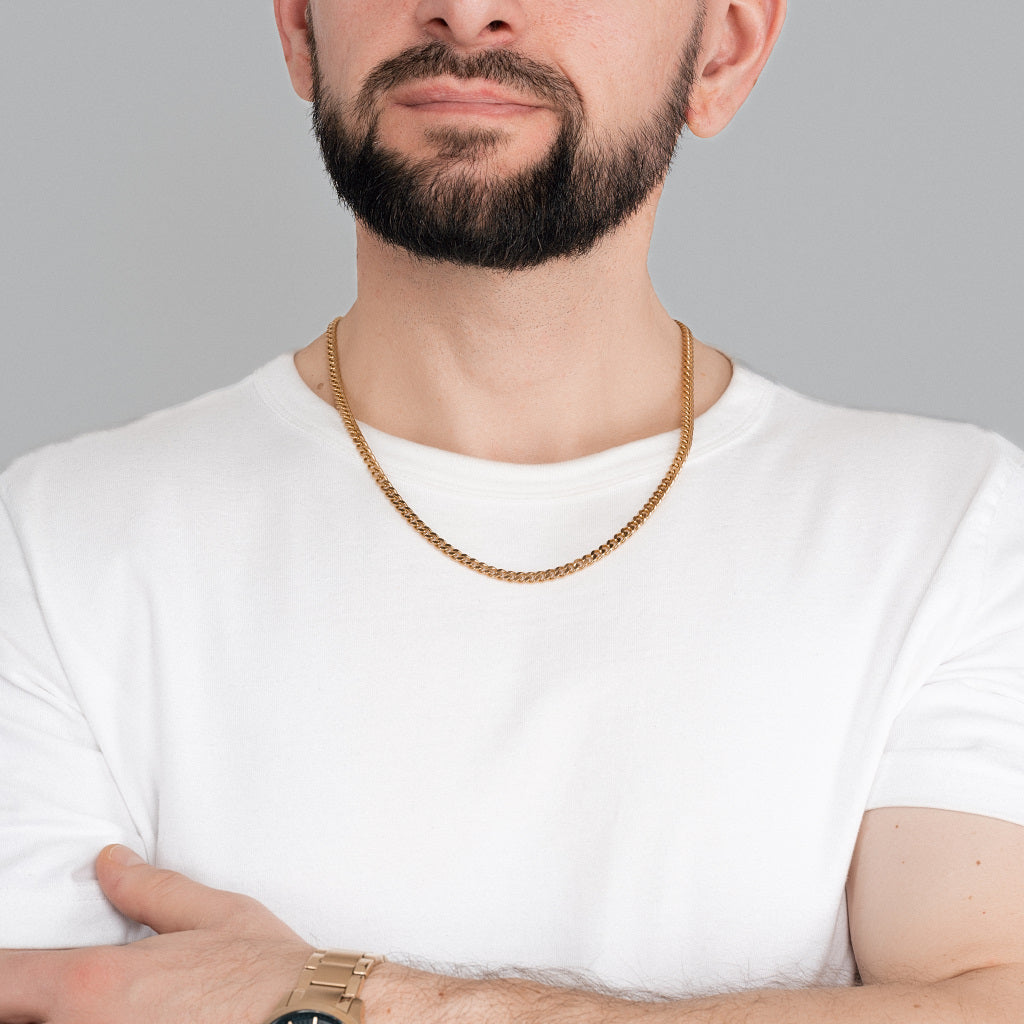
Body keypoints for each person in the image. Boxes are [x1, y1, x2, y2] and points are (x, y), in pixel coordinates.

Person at [2, 1, 1024, 1022]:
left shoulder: (949, 532)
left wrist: (346, 1002)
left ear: (724, 48)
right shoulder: (51, 548)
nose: (468, 8)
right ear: (299, 29)